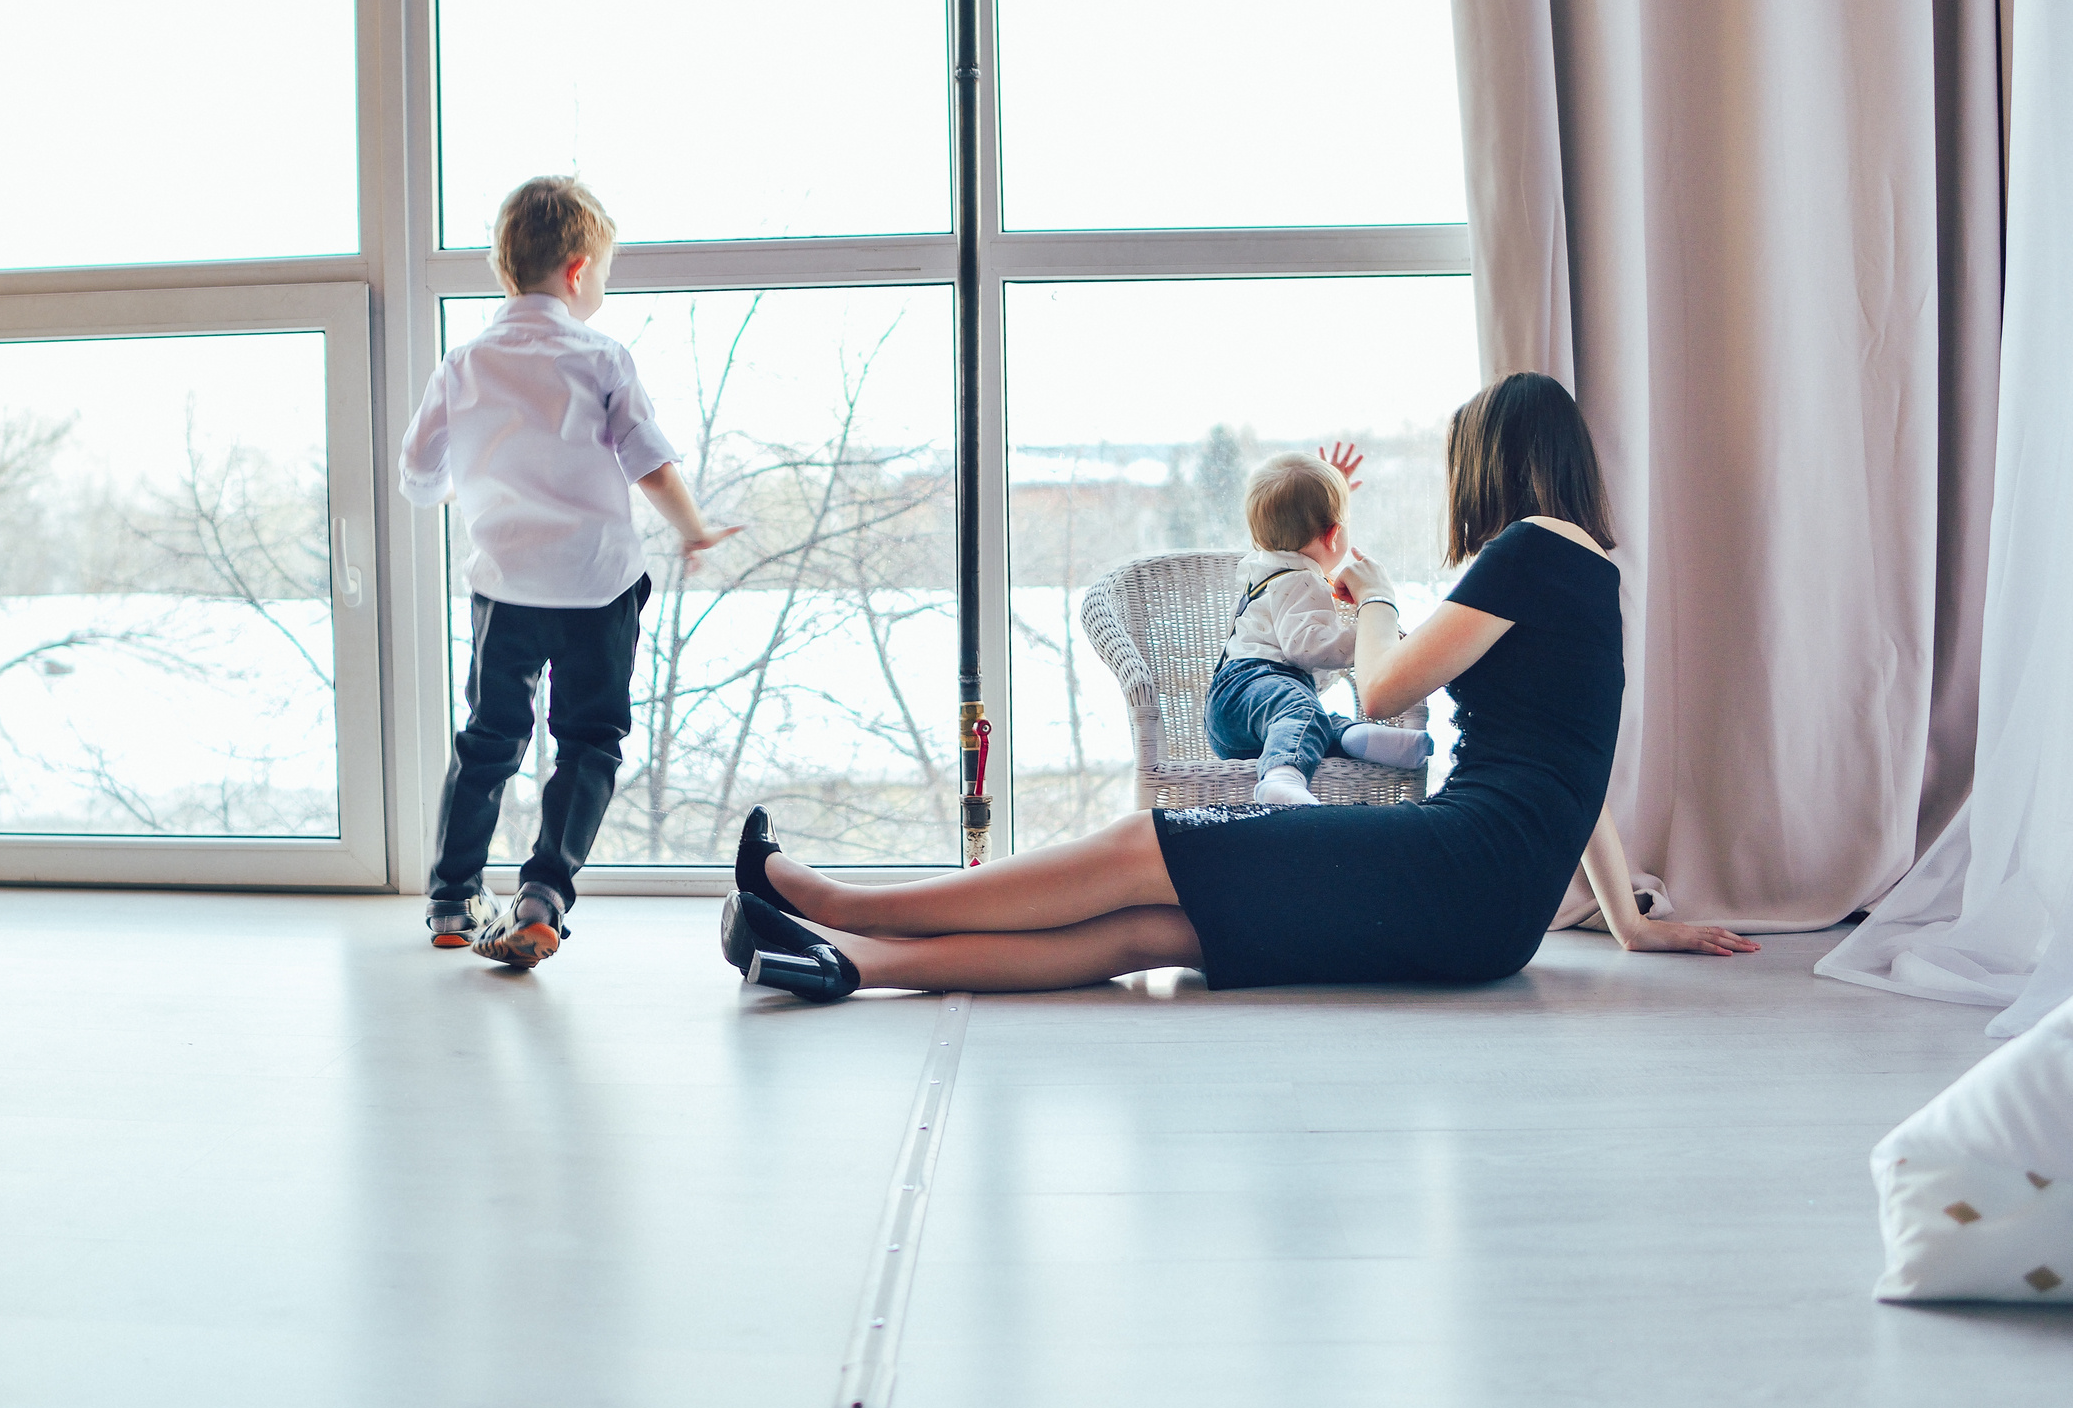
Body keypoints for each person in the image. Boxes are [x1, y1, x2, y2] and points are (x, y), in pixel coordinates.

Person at [716, 371, 1757, 1002]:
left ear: (1492, 462)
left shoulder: (1525, 549)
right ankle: (850, 959)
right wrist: (1630, 924)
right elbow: (1576, 770)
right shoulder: (1590, 570)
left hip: (1465, 872)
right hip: (1491, 906)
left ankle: (842, 899)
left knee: (1142, 847)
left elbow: (1384, 686)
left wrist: (1378, 588)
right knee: (1149, 933)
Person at [400, 176, 737, 968]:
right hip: (597, 588)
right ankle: (544, 896)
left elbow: (417, 473)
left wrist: (456, 486)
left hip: (505, 588)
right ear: (579, 271)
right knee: (588, 742)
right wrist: (695, 529)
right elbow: (648, 462)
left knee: (489, 739)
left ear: (505, 268)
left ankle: (452, 898)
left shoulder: (464, 362)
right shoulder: (601, 354)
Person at [1207, 447, 1434, 806]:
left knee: (1312, 721)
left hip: (1238, 710)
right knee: (1302, 711)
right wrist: (1370, 636)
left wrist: (1325, 495)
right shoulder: (1300, 580)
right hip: (1254, 685)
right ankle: (1281, 778)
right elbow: (1307, 646)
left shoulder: (1265, 563)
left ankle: (1357, 737)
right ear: (1333, 535)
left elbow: (1287, 518)